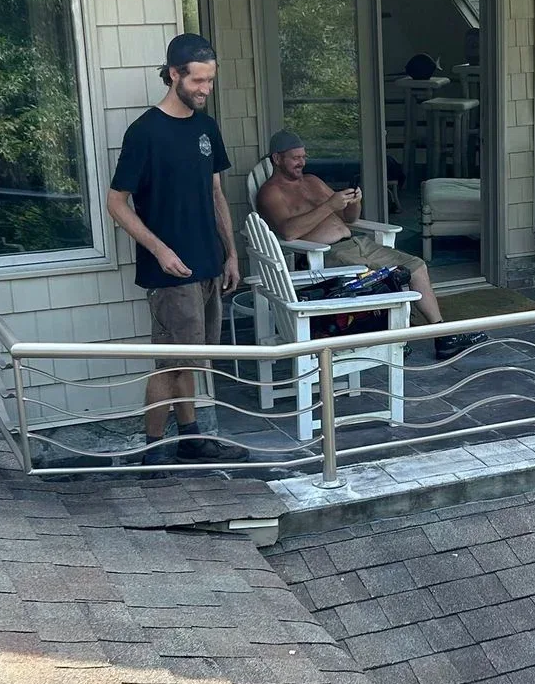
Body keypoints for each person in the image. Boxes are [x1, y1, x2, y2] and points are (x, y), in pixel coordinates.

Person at [106, 33, 250, 465]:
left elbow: (216, 193)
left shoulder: (206, 128)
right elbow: (116, 203)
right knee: (170, 362)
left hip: (207, 262)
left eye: (211, 81)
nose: (206, 89)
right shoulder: (144, 133)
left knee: (192, 359)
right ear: (174, 75)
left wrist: (231, 252)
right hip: (170, 272)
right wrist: (159, 250)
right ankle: (153, 450)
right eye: (199, 81)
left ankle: (190, 438)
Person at [255, 131, 485, 361]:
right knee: (383, 281)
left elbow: (350, 218)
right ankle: (395, 339)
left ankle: (442, 335)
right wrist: (329, 205)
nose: (302, 162)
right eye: (295, 158)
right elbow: (288, 231)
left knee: (415, 266)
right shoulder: (270, 193)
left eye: (304, 157)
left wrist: (355, 201)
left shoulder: (312, 181)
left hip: (357, 242)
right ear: (277, 159)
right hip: (326, 255)